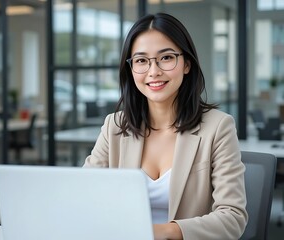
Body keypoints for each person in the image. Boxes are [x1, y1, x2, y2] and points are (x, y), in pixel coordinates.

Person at [83, 12, 248, 240]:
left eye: (166, 58)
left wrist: (161, 232)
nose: (154, 71)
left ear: (186, 64)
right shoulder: (114, 126)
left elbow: (233, 217)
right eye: (141, 60)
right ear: (131, 70)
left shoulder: (218, 127)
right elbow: (84, 196)